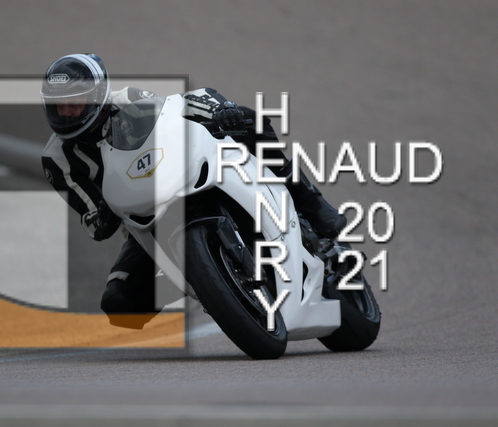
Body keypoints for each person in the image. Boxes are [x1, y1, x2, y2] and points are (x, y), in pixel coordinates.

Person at [40, 54, 346, 329]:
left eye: (74, 104)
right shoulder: (56, 159)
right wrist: (101, 217)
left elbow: (176, 109)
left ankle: (310, 201)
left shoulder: (127, 100)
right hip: (144, 220)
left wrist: (219, 110)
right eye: (58, 107)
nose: (66, 113)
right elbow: (90, 216)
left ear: (97, 97)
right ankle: (205, 284)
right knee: (119, 305)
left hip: (181, 176)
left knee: (247, 119)